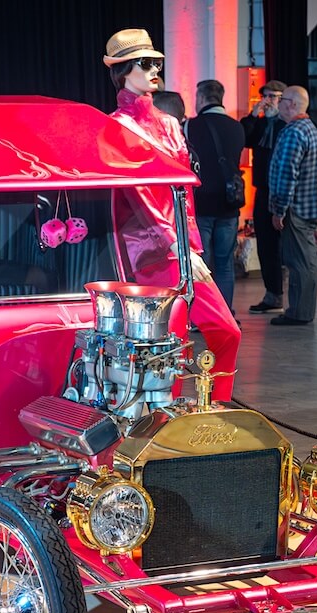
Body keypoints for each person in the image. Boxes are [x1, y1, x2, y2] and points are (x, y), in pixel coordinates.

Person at [103, 28, 240, 401]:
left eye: (156, 63)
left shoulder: (167, 122)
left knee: (226, 330)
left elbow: (183, 189)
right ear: (123, 70)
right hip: (150, 249)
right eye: (145, 63)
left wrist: (189, 245)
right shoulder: (117, 126)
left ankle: (216, 405)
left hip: (182, 244)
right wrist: (176, 246)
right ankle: (166, 414)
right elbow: (139, 196)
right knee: (169, 341)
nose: (154, 70)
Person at [186, 79, 246, 314]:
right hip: (229, 204)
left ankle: (203, 315)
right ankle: (225, 313)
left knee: (201, 265)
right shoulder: (237, 127)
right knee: (225, 264)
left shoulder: (191, 126)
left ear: (201, 98)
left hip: (201, 203)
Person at [267, 86, 317, 327]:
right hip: (307, 206)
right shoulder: (309, 129)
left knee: (299, 262)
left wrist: (279, 210)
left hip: (295, 209)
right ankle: (302, 310)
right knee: (306, 260)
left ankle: (299, 312)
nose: (278, 103)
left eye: (281, 99)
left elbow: (287, 175)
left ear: (292, 104)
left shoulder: (294, 132)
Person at [241, 80, 287, 313]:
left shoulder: (288, 123)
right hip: (263, 189)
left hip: (284, 189)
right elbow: (244, 138)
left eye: (274, 96)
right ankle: (273, 294)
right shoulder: (259, 123)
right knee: (266, 244)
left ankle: (290, 296)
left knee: (286, 245)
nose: (269, 101)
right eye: (266, 96)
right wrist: (253, 115)